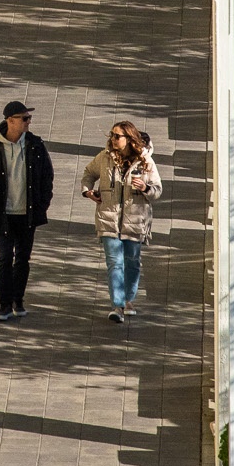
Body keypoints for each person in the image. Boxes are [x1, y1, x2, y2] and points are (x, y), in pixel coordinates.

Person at [0, 101, 55, 321]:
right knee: (4, 257)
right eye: (24, 118)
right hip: (3, 214)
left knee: (23, 258)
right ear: (10, 121)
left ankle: (18, 301)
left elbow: (47, 177)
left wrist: (43, 203)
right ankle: (4, 304)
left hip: (27, 213)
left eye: (29, 118)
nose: (28, 122)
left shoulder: (35, 145)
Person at [81, 121, 162, 323]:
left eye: (117, 136)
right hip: (108, 219)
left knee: (132, 262)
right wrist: (88, 192)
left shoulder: (146, 162)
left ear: (129, 139)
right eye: (112, 135)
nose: (113, 139)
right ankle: (117, 306)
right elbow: (88, 174)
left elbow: (157, 191)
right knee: (114, 263)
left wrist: (144, 187)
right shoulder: (104, 157)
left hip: (135, 222)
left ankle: (129, 300)